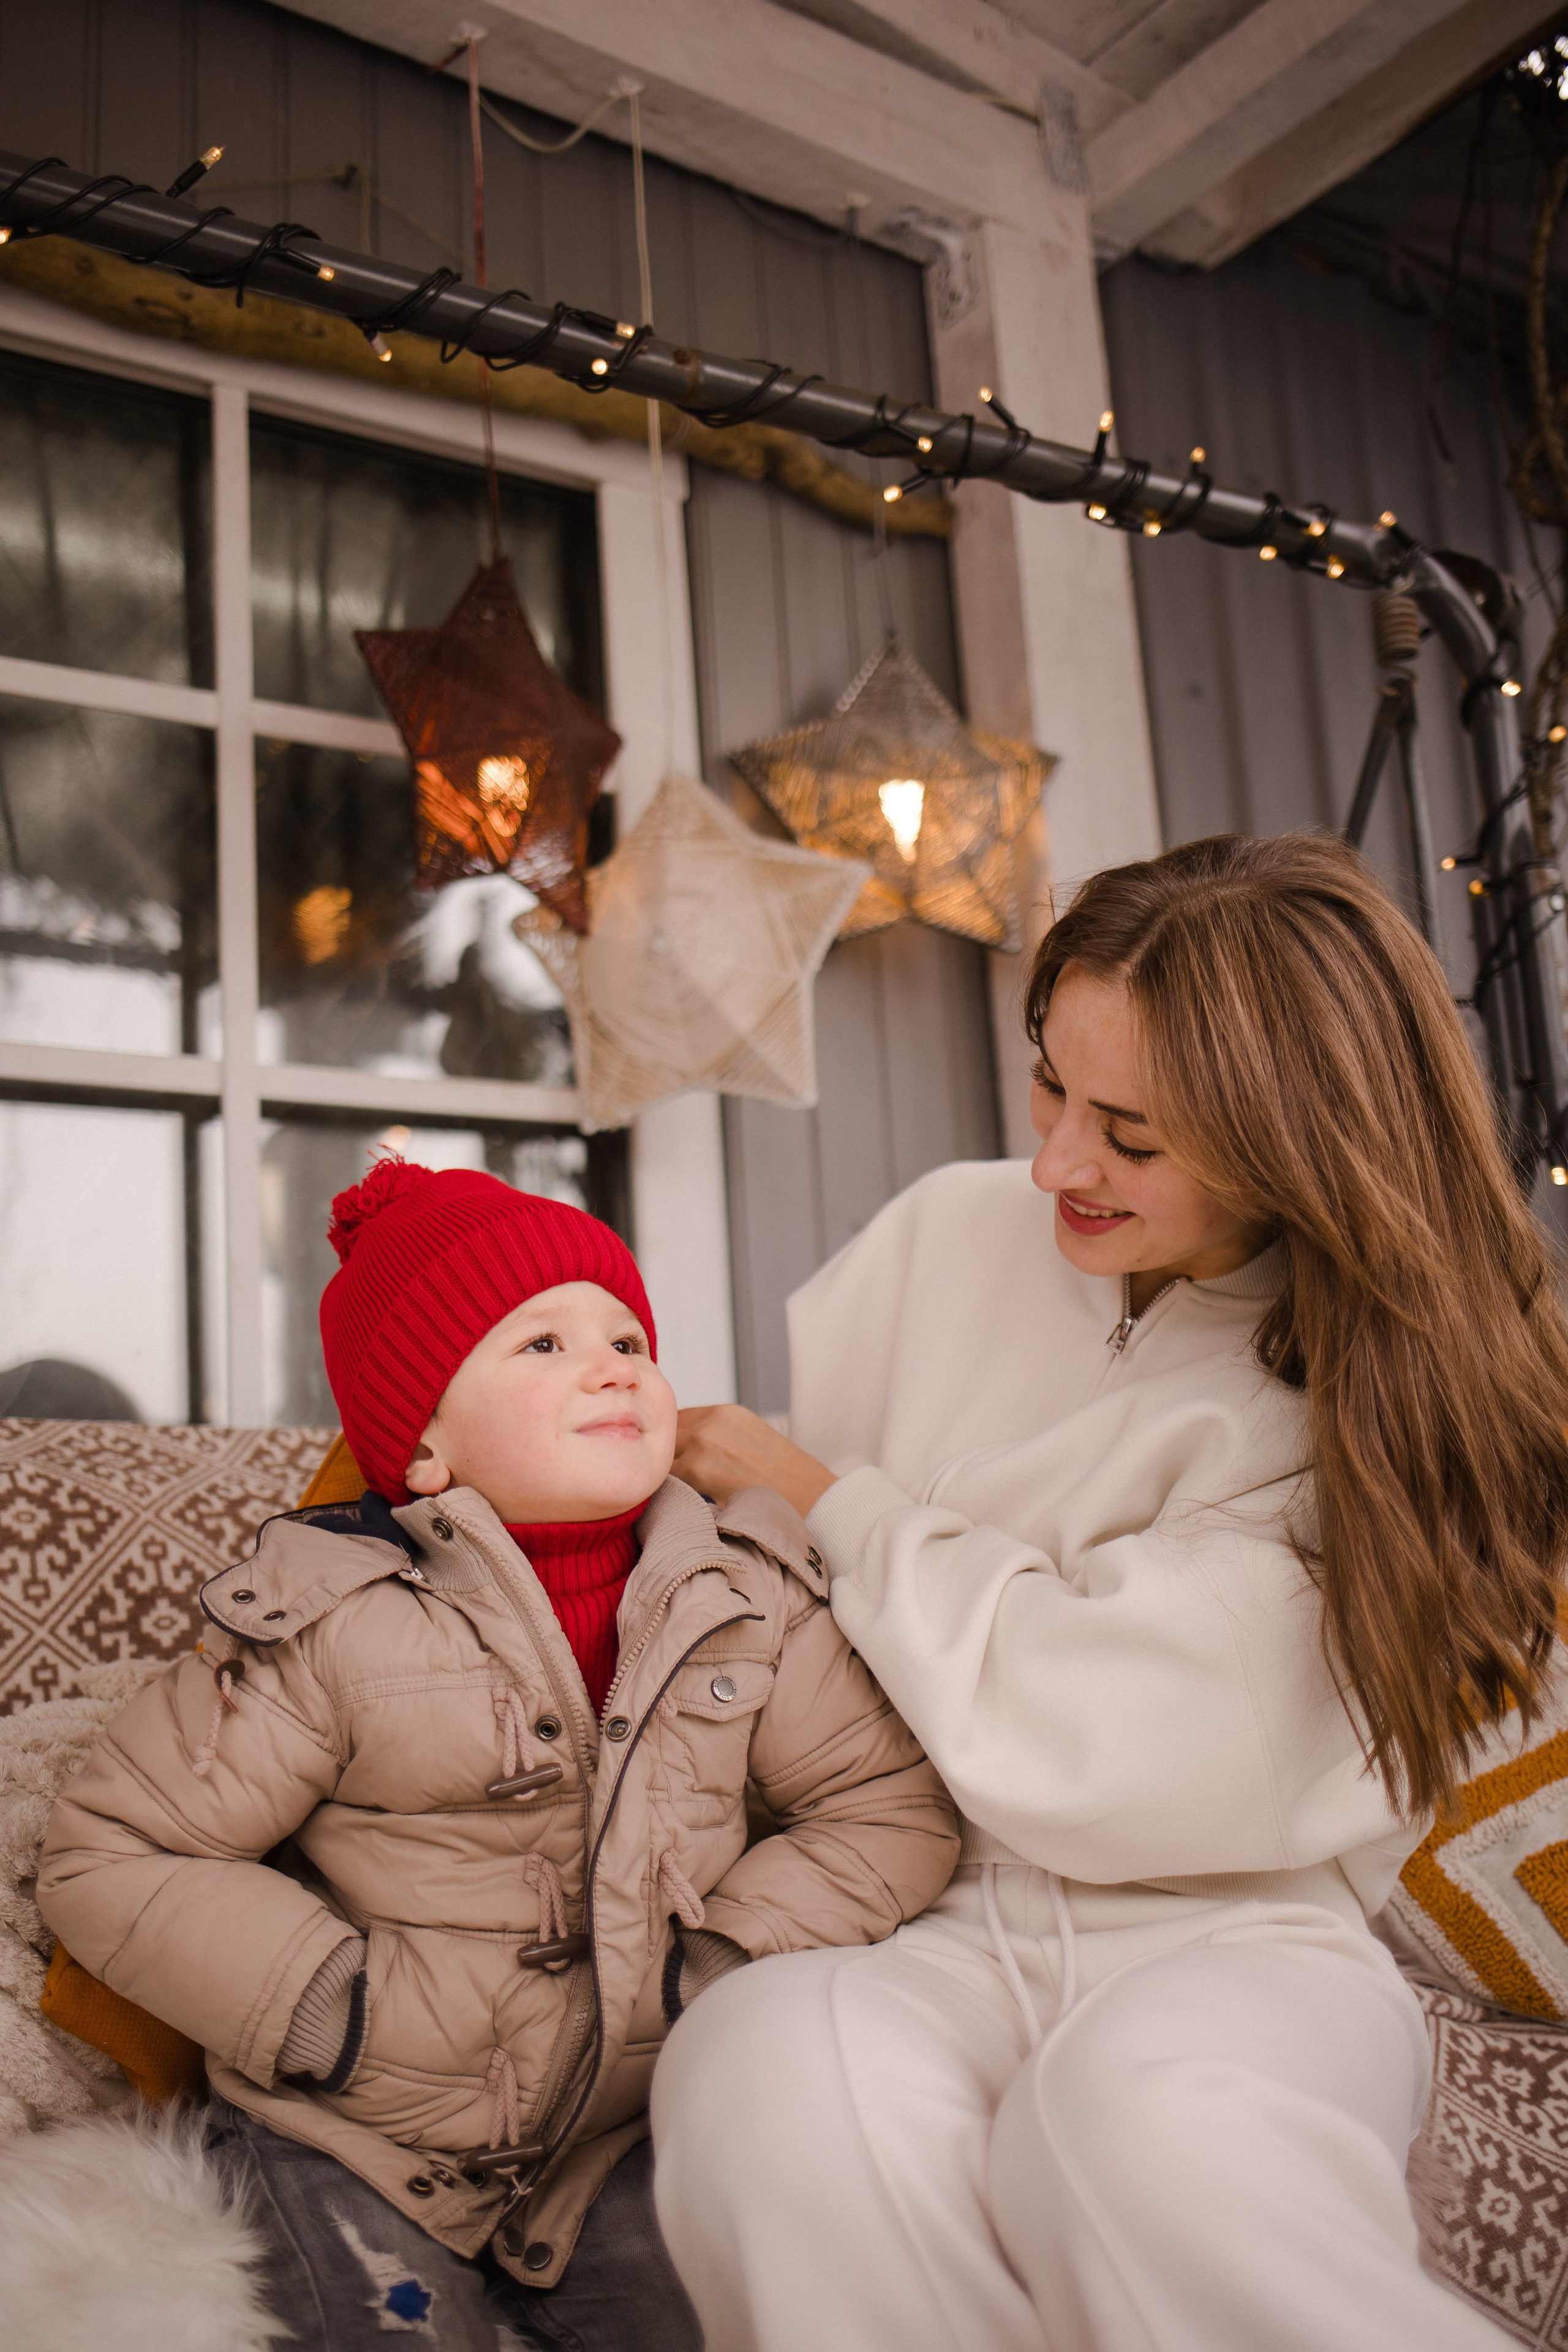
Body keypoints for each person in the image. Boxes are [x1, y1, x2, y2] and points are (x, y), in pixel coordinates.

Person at [656, 831, 1568, 2352]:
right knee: (765, 2076)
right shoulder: (942, 1236)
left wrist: (835, 1503)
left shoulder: (1383, 1395)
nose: (1054, 1165)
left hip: (1229, 1933)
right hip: (917, 1909)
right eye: (1049, 1086)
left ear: (1295, 1147)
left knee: (1136, 2135)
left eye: (1129, 1138)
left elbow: (1103, 1741)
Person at [37, 1161, 958, 2352]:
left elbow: (885, 1807)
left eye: (627, 1338)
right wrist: (325, 2006)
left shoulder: (750, 1595)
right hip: (360, 2136)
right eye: (544, 1345)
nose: (613, 1365)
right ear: (424, 1447)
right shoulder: (332, 1620)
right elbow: (116, 1851)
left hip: (627, 2139)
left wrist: (726, 1965)